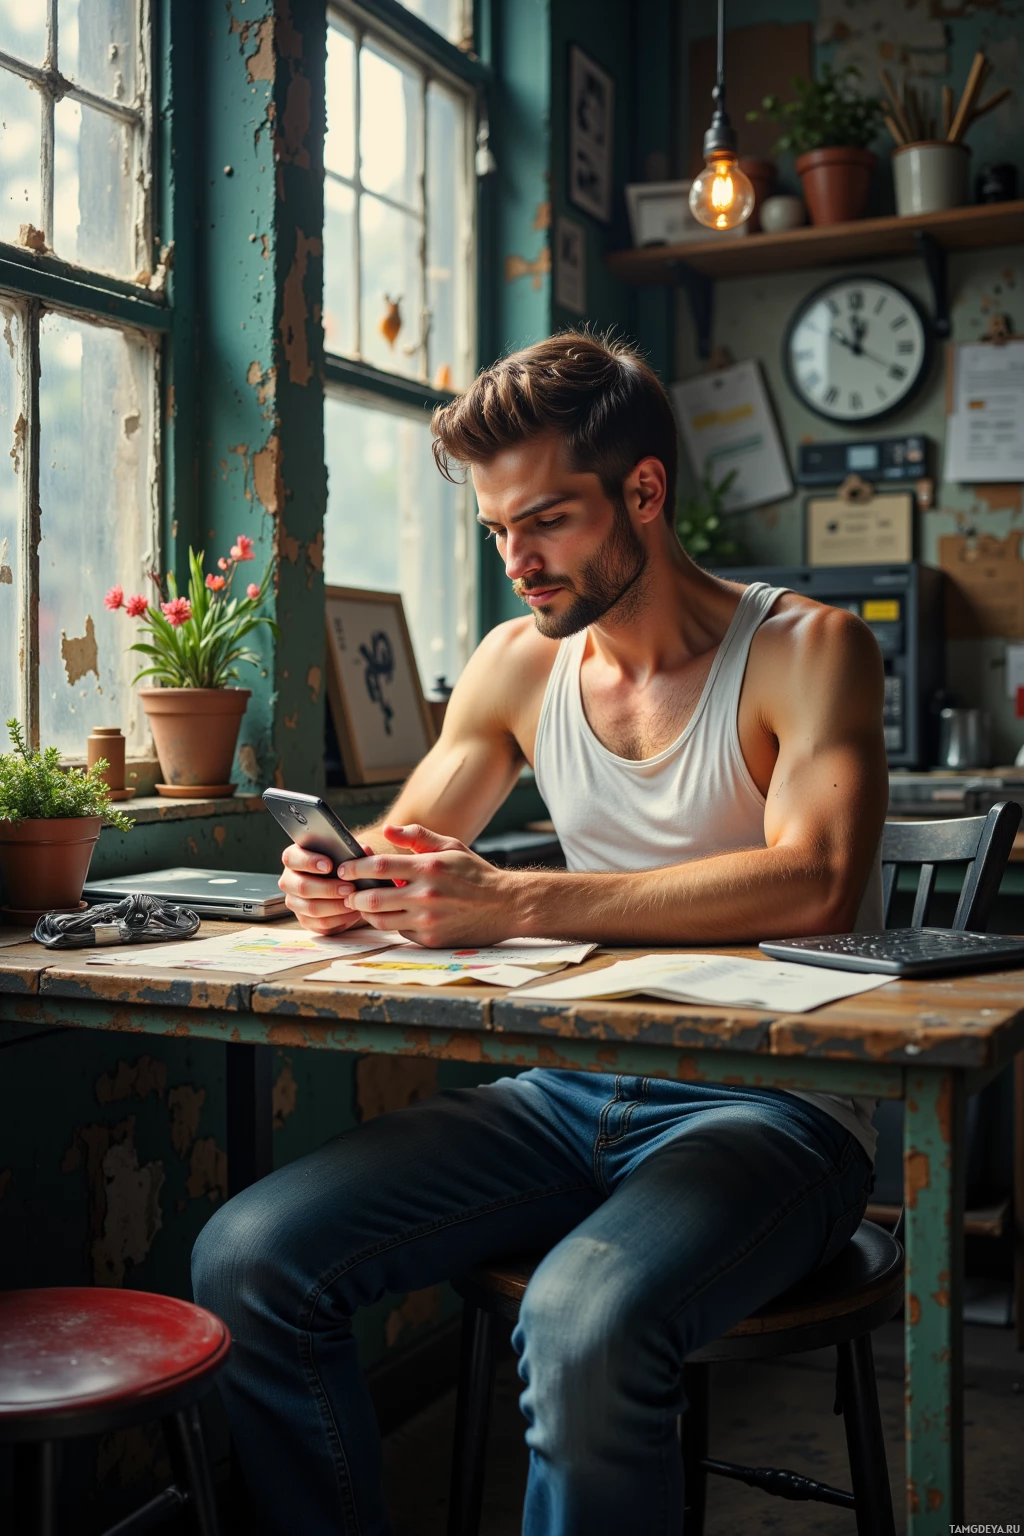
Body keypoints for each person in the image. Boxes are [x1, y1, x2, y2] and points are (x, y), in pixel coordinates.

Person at [192, 331, 887, 1536]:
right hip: (566, 1088)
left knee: (575, 1323)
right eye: (497, 530)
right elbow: (407, 849)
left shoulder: (808, 650)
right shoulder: (515, 664)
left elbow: (815, 883)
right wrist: (341, 885)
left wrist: (516, 900)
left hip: (773, 1103)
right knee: (248, 1257)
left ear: (645, 491)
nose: (517, 559)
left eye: (548, 521)